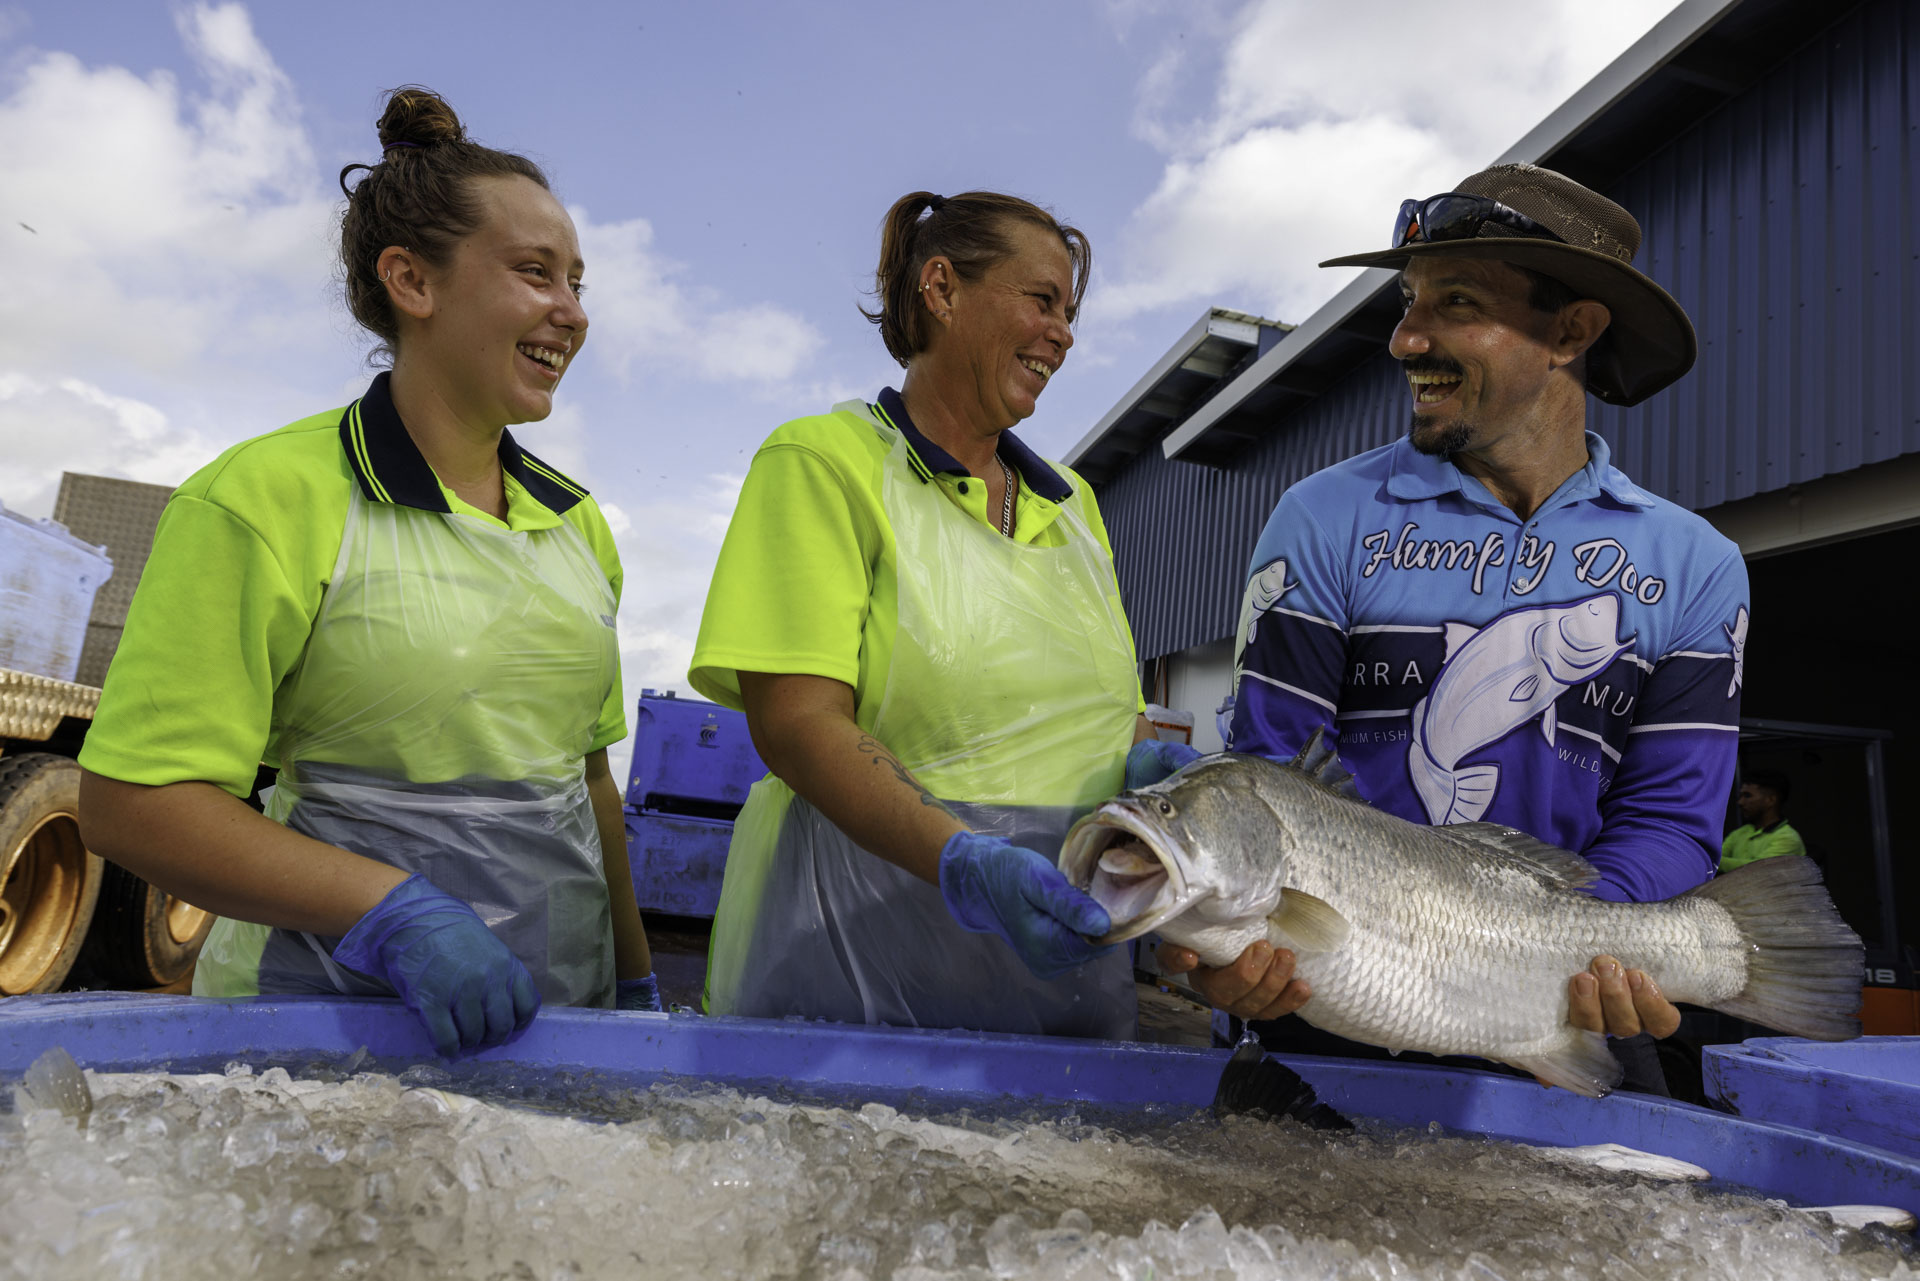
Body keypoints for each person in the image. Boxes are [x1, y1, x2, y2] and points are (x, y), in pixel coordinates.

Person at [76, 87, 658, 1057]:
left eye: (578, 284)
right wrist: (391, 911)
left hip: (554, 1029)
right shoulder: (266, 497)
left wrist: (634, 980)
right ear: (412, 282)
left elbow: (588, 779)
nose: (571, 312)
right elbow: (133, 804)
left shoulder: (577, 527)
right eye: (534, 273)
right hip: (315, 1018)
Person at [1145, 165, 1749, 1093]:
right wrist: (1231, 932)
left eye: (1454, 304)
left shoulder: (1697, 564)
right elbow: (1274, 781)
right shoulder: (1323, 518)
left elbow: (1670, 816)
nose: (1404, 339)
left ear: (1572, 333)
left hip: (1567, 1012)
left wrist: (1592, 948)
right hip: (1337, 1005)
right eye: (1406, 301)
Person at [690, 190, 1162, 1038]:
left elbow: (1108, 718)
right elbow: (797, 723)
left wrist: (1153, 775)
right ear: (942, 289)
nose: (1064, 332)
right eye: (1041, 299)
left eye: (1071, 312)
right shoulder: (825, 463)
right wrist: (961, 861)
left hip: (1061, 1002)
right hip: (847, 986)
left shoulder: (1077, 509)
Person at [1721, 769, 1806, 871]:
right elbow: (1716, 856)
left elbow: (1758, 870)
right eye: (1741, 796)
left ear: (1771, 800)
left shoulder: (1788, 838)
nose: (1740, 802)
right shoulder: (1740, 833)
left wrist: (1713, 862)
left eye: (1747, 795)